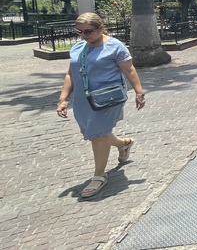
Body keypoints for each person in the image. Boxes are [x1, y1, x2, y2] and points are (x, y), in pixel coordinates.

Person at [55, 12, 146, 200]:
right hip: (84, 99)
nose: (83, 35)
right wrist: (63, 99)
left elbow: (129, 69)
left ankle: (99, 175)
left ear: (101, 28)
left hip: (108, 98)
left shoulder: (115, 46)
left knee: (97, 134)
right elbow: (71, 74)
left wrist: (139, 92)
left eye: (88, 31)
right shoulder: (78, 47)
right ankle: (123, 144)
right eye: (79, 32)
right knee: (96, 132)